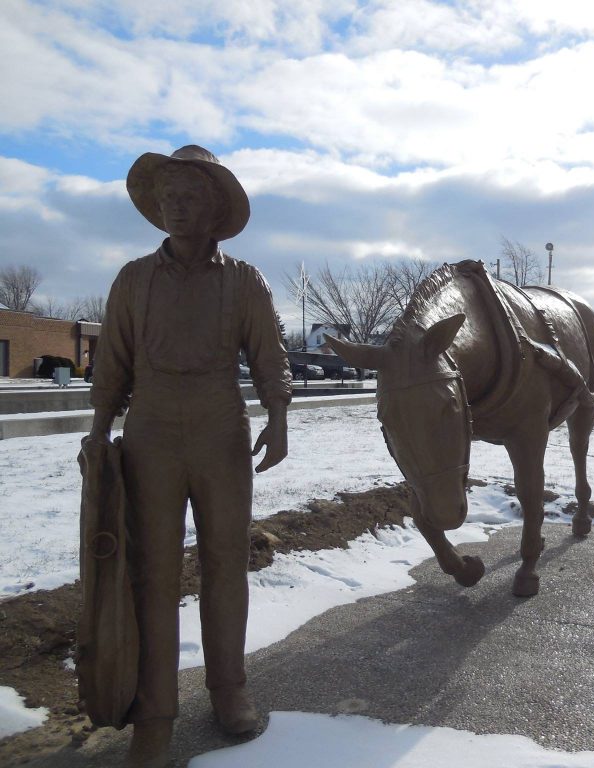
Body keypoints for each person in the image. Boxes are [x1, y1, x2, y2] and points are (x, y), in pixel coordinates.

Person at [87, 145, 291, 767]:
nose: (176, 207)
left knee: (225, 563)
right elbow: (112, 360)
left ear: (214, 208)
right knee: (152, 572)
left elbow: (269, 353)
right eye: (168, 197)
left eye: (190, 197)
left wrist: (278, 415)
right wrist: (99, 430)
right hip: (150, 430)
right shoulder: (132, 279)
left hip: (220, 428)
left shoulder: (243, 280)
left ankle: (229, 688)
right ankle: (155, 713)